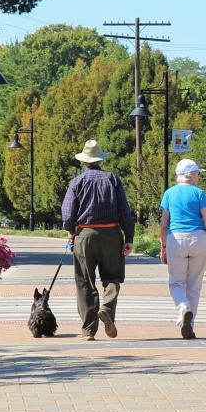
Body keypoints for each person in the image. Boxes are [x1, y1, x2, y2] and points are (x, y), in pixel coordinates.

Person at [61, 139, 133, 341]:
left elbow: (67, 214)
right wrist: (129, 237)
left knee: (85, 281)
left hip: (85, 235)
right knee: (113, 277)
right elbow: (125, 212)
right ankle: (107, 309)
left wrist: (71, 232)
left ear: (84, 162)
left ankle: (88, 330)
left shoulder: (76, 182)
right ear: (100, 160)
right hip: (111, 234)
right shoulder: (114, 180)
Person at [160, 158, 206, 339]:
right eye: (197, 174)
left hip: (175, 238)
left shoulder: (169, 193)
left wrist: (163, 247)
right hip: (199, 239)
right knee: (194, 285)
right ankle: (189, 326)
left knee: (176, 283)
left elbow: (163, 223)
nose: (198, 177)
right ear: (191, 175)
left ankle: (183, 307)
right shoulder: (199, 193)